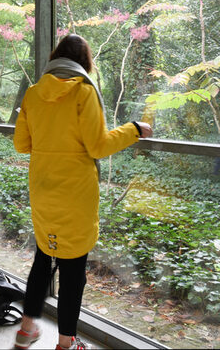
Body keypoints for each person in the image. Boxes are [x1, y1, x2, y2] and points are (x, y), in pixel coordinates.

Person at [12, 34, 153, 350]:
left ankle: (26, 331)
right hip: (75, 197)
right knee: (73, 272)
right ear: (84, 62)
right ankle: (66, 343)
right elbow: (99, 146)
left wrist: (50, 142)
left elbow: (21, 143)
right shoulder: (83, 91)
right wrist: (133, 129)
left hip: (43, 191)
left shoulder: (34, 93)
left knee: (43, 258)